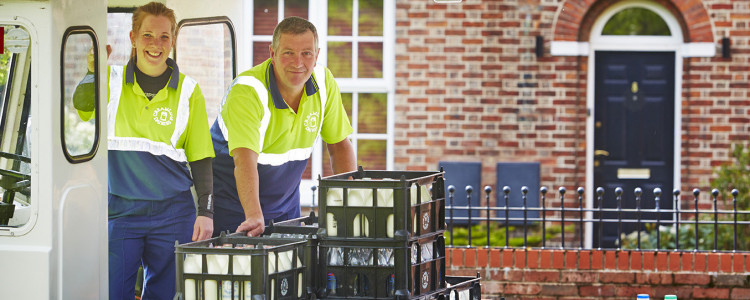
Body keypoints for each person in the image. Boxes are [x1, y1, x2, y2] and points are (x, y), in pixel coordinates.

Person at [73, 2, 215, 299]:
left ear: (173, 41)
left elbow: (201, 157)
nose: (156, 44)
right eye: (148, 35)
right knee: (113, 291)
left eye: (164, 37)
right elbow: (83, 109)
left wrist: (206, 211)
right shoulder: (110, 81)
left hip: (174, 213)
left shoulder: (189, 92)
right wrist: (90, 72)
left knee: (164, 293)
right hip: (121, 211)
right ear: (133, 38)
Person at [211, 16, 357, 237]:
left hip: (286, 208)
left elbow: (339, 146)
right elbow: (244, 159)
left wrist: (352, 202)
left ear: (316, 55)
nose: (298, 63)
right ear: (272, 54)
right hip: (235, 209)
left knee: (290, 271)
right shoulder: (248, 91)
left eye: (306, 53)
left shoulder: (324, 83)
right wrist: (253, 215)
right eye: (288, 53)